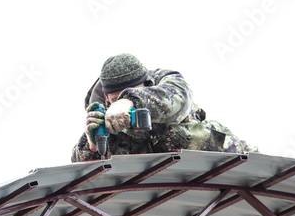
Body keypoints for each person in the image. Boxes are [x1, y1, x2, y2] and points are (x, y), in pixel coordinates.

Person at [71, 53, 257, 162]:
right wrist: (92, 143)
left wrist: (129, 102)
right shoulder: (101, 114)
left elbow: (178, 98)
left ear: (146, 84)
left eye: (129, 92)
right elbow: (81, 171)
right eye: (114, 98)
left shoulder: (166, 82)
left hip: (217, 157)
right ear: (105, 96)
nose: (117, 101)